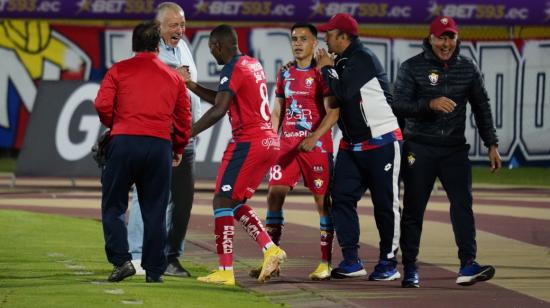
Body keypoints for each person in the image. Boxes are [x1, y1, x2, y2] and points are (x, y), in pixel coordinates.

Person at [392, 16, 502, 288]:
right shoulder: (412, 67)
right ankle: (410, 269)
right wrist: (429, 104)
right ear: (430, 38)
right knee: (414, 210)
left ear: (457, 38)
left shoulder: (467, 69)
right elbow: (399, 105)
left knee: (463, 207)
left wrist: (492, 144)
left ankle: (468, 264)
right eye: (440, 37)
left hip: (454, 150)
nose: (446, 43)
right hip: (419, 148)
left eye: (450, 37)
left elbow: (481, 106)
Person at [183, 24, 286, 286]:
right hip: (268, 141)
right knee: (234, 200)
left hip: (248, 141)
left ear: (218, 46)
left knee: (221, 201)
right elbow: (223, 99)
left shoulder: (232, 68)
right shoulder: (252, 63)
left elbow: (219, 110)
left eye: (211, 49)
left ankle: (225, 271)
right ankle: (270, 249)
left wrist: (188, 133)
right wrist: (191, 84)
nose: (212, 54)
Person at [94, 21, 191, 283]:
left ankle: (122, 261)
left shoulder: (118, 70)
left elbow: (102, 105)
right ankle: (155, 270)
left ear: (133, 45)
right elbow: (184, 118)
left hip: (123, 142)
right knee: (155, 209)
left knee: (114, 205)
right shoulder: (173, 76)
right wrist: (178, 146)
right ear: (158, 46)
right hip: (159, 146)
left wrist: (117, 124)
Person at [248, 23, 339, 281]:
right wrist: (270, 140)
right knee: (274, 196)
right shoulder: (284, 73)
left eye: (303, 39)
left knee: (322, 203)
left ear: (314, 43)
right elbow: (278, 110)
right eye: (294, 39)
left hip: (317, 147)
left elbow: (334, 112)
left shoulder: (322, 74)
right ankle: (272, 260)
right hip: (287, 146)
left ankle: (325, 263)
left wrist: (314, 137)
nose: (297, 43)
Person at [316, 13, 403, 281]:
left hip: (382, 142)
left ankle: (388, 262)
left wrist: (326, 69)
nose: (325, 37)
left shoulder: (362, 57)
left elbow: (343, 92)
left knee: (385, 205)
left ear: (344, 36)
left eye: (329, 33)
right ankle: (352, 260)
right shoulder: (342, 61)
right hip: (352, 146)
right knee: (340, 197)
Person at [127, 2, 201, 278]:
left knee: (182, 200)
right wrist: (175, 77)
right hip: (159, 134)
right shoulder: (147, 49)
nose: (179, 30)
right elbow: (142, 80)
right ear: (159, 27)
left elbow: (189, 82)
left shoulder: (183, 46)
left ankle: (171, 257)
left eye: (182, 24)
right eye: (173, 25)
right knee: (148, 193)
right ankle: (136, 254)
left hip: (186, 134)